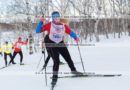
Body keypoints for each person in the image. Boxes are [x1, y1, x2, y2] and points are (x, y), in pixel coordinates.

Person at [36, 11, 82, 86]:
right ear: (53, 19)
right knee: (56, 61)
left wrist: (75, 37)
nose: (57, 19)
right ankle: (54, 78)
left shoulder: (63, 25)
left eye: (58, 18)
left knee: (68, 58)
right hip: (51, 44)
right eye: (55, 18)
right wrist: (41, 22)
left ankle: (74, 71)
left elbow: (70, 32)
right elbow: (37, 31)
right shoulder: (49, 25)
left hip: (60, 43)